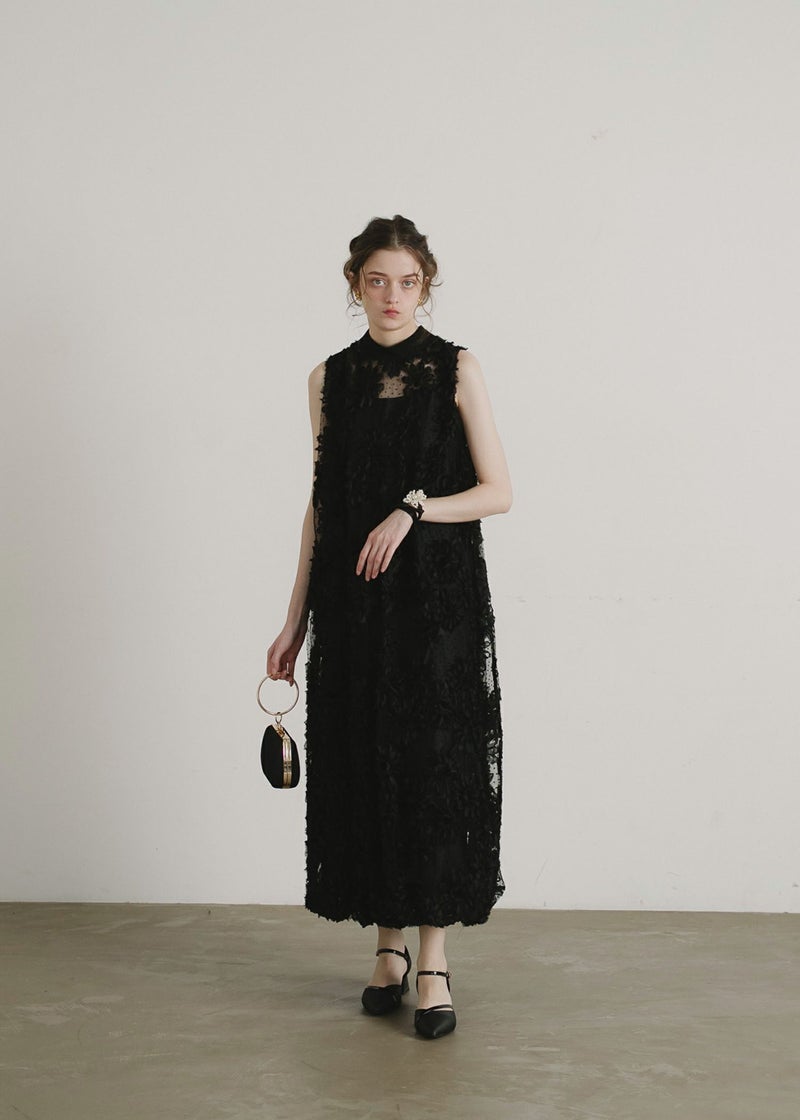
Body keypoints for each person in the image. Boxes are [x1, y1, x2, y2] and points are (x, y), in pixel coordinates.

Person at [266, 215, 512, 1039]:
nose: (392, 296)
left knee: (433, 769)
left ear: (426, 286)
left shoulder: (456, 368)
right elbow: (322, 505)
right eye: (377, 281)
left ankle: (433, 960)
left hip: (437, 605)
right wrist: (294, 619)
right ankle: (387, 948)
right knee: (368, 764)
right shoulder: (327, 379)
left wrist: (414, 508)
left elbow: (498, 491)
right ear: (355, 286)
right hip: (355, 606)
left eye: (408, 282)